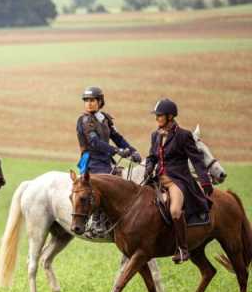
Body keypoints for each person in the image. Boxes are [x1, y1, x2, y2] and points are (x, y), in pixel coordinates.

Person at [144, 98, 213, 264]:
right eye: (156, 116)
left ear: (169, 116)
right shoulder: (155, 135)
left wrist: (204, 181)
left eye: (159, 116)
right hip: (157, 179)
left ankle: (182, 249)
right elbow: (152, 156)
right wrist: (148, 167)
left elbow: (196, 160)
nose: (156, 119)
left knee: (175, 210)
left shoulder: (184, 135)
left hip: (177, 180)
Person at [75, 86, 141, 238]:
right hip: (91, 161)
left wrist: (132, 150)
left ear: (100, 101)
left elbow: (117, 138)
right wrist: (117, 151)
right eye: (86, 101)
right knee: (101, 186)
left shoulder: (105, 119)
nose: (89, 103)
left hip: (105, 160)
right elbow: (95, 142)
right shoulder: (85, 120)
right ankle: (96, 222)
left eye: (92, 100)